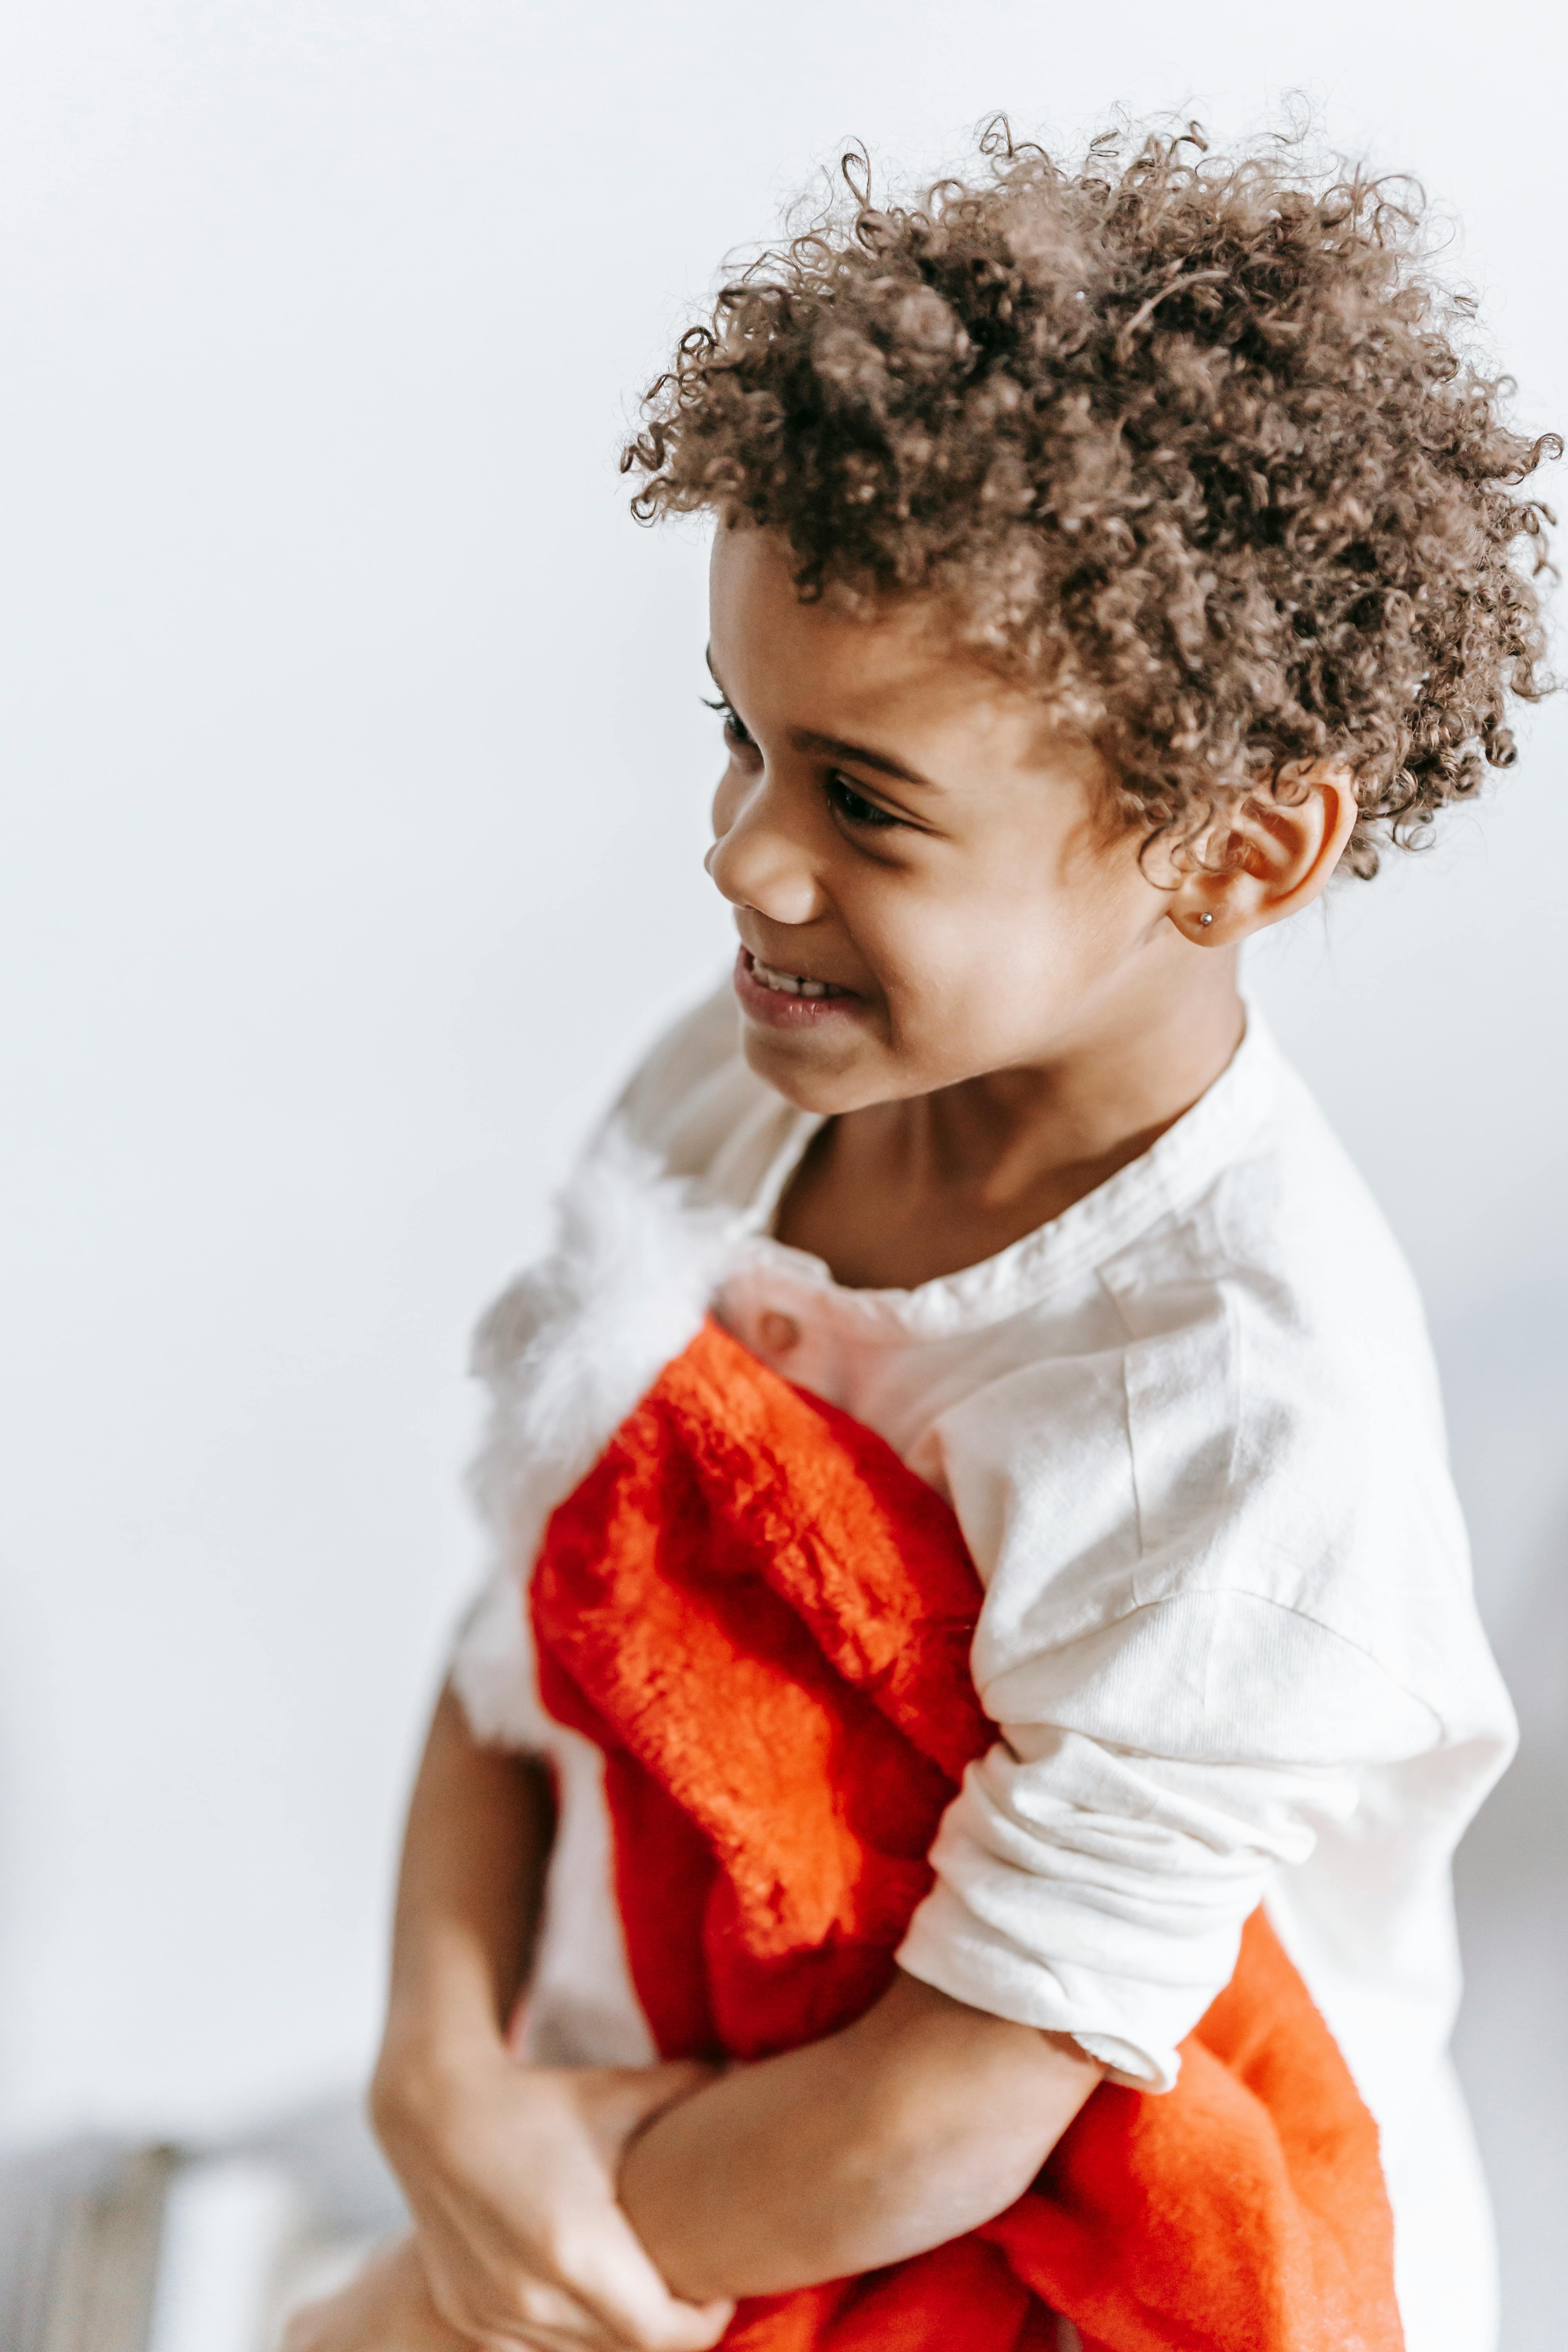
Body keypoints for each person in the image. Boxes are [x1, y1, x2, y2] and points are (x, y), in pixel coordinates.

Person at [285, 120, 1555, 2352]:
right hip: (645, 2130)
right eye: (741, 739)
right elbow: (523, 1632)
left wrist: (515, 2236)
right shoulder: (732, 1088)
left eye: (865, 800)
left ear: (1239, 852)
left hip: (1027, 2248)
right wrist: (440, 2079)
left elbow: (974, 2097)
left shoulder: (1246, 1418)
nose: (741, 857)